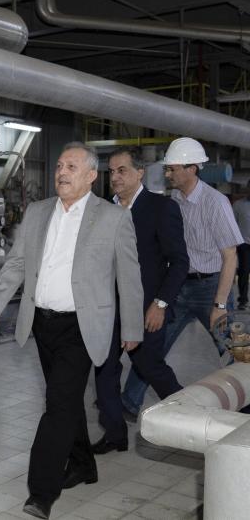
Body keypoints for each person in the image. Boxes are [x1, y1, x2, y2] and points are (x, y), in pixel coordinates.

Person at [0, 142, 143, 520]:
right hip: (42, 323)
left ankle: (41, 491)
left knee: (57, 405)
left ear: (90, 175)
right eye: (58, 166)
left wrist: (132, 325)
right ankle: (84, 463)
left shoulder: (112, 217)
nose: (61, 172)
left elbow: (129, 278)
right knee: (65, 401)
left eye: (71, 166)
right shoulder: (38, 212)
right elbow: (17, 264)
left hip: (83, 326)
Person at [122, 137, 243, 419]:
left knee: (232, 350)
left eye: (172, 169)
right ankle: (129, 403)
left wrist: (220, 305)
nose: (167, 174)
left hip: (211, 287)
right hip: (177, 287)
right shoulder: (173, 201)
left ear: (192, 169)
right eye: (167, 169)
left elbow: (230, 257)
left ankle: (246, 407)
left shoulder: (216, 203)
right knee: (151, 346)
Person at [92, 148, 187, 456]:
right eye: (112, 172)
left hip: (146, 309)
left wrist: (160, 303)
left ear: (139, 173)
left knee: (151, 367)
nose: (115, 177)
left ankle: (190, 418)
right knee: (104, 371)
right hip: (108, 309)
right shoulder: (103, 210)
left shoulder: (161, 208)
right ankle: (115, 434)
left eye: (122, 171)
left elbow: (179, 261)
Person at [231, 181, 250, 311]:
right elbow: (233, 225)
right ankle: (242, 301)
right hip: (244, 245)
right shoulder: (238, 205)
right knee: (244, 272)